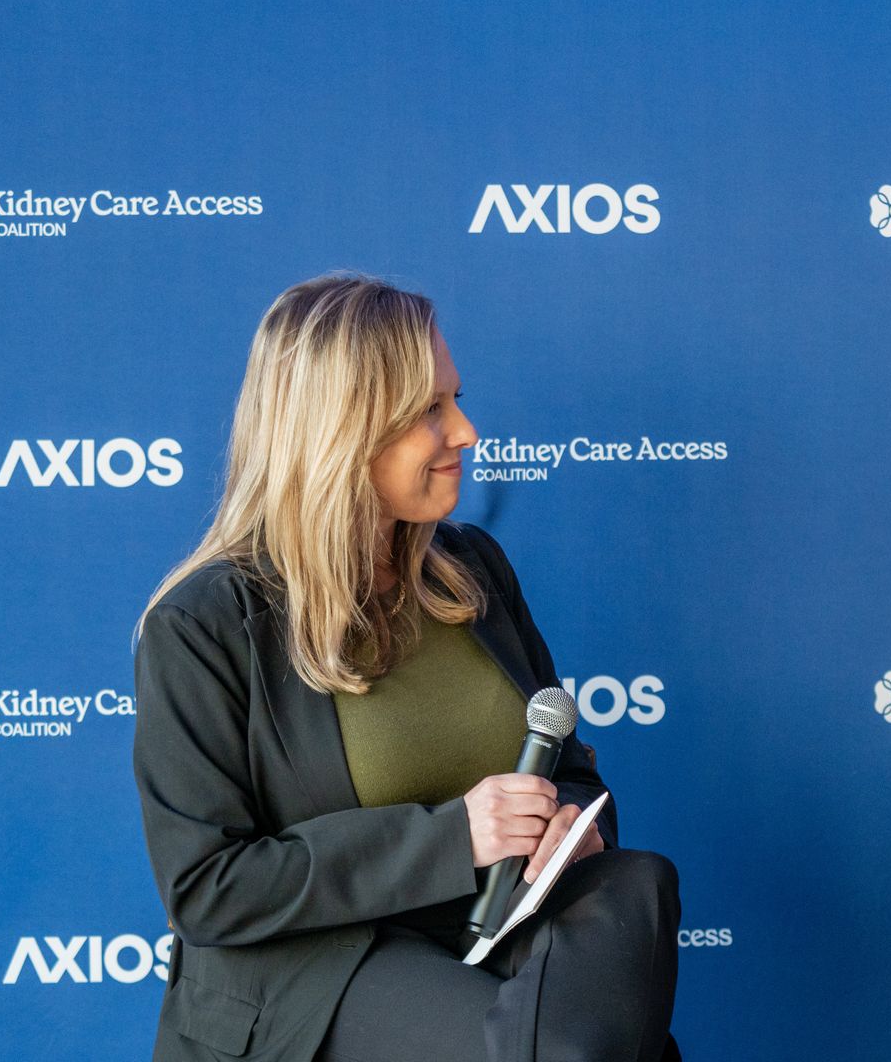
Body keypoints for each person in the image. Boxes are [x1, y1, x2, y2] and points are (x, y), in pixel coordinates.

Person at [131, 274, 679, 1062]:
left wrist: (565, 827)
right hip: (321, 966)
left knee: (638, 882)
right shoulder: (203, 623)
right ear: (341, 431)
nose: (466, 431)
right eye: (430, 410)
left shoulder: (473, 571)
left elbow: (572, 777)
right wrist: (455, 836)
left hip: (499, 930)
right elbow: (208, 889)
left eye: (455, 399)